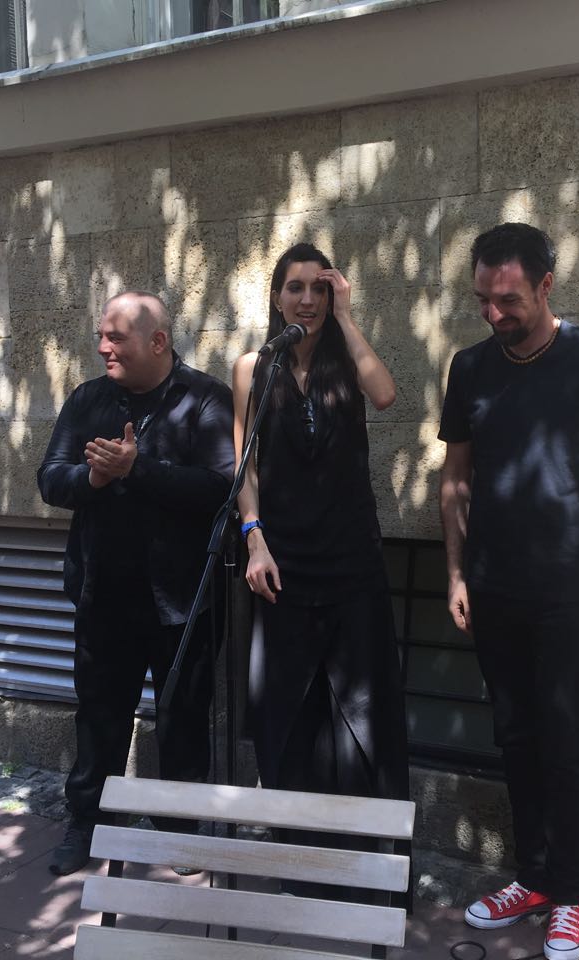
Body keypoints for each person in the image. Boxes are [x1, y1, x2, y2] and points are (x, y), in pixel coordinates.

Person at [439, 224, 579, 960]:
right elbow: (456, 478)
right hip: (493, 587)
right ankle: (530, 877)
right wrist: (456, 572)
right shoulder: (469, 368)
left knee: (560, 742)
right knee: (514, 736)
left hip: (567, 589)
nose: (493, 313)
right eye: (482, 300)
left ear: (546, 285)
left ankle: (571, 895)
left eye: (509, 300)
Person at [37, 290, 234, 876]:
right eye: (101, 336)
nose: (103, 347)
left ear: (158, 341)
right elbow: (50, 479)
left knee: (183, 723)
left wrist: (137, 469)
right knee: (99, 717)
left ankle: (180, 832)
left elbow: (220, 488)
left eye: (116, 338)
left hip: (183, 601)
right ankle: (87, 822)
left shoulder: (205, 400)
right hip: (104, 595)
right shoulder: (88, 399)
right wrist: (93, 479)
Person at [233, 243, 410, 837]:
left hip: (351, 560)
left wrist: (348, 318)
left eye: (319, 288)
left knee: (364, 713)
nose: (307, 299)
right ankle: (296, 851)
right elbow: (244, 468)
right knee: (288, 711)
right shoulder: (252, 368)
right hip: (283, 565)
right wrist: (254, 539)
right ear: (276, 297)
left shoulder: (347, 361)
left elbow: (385, 394)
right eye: (295, 287)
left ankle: (370, 856)